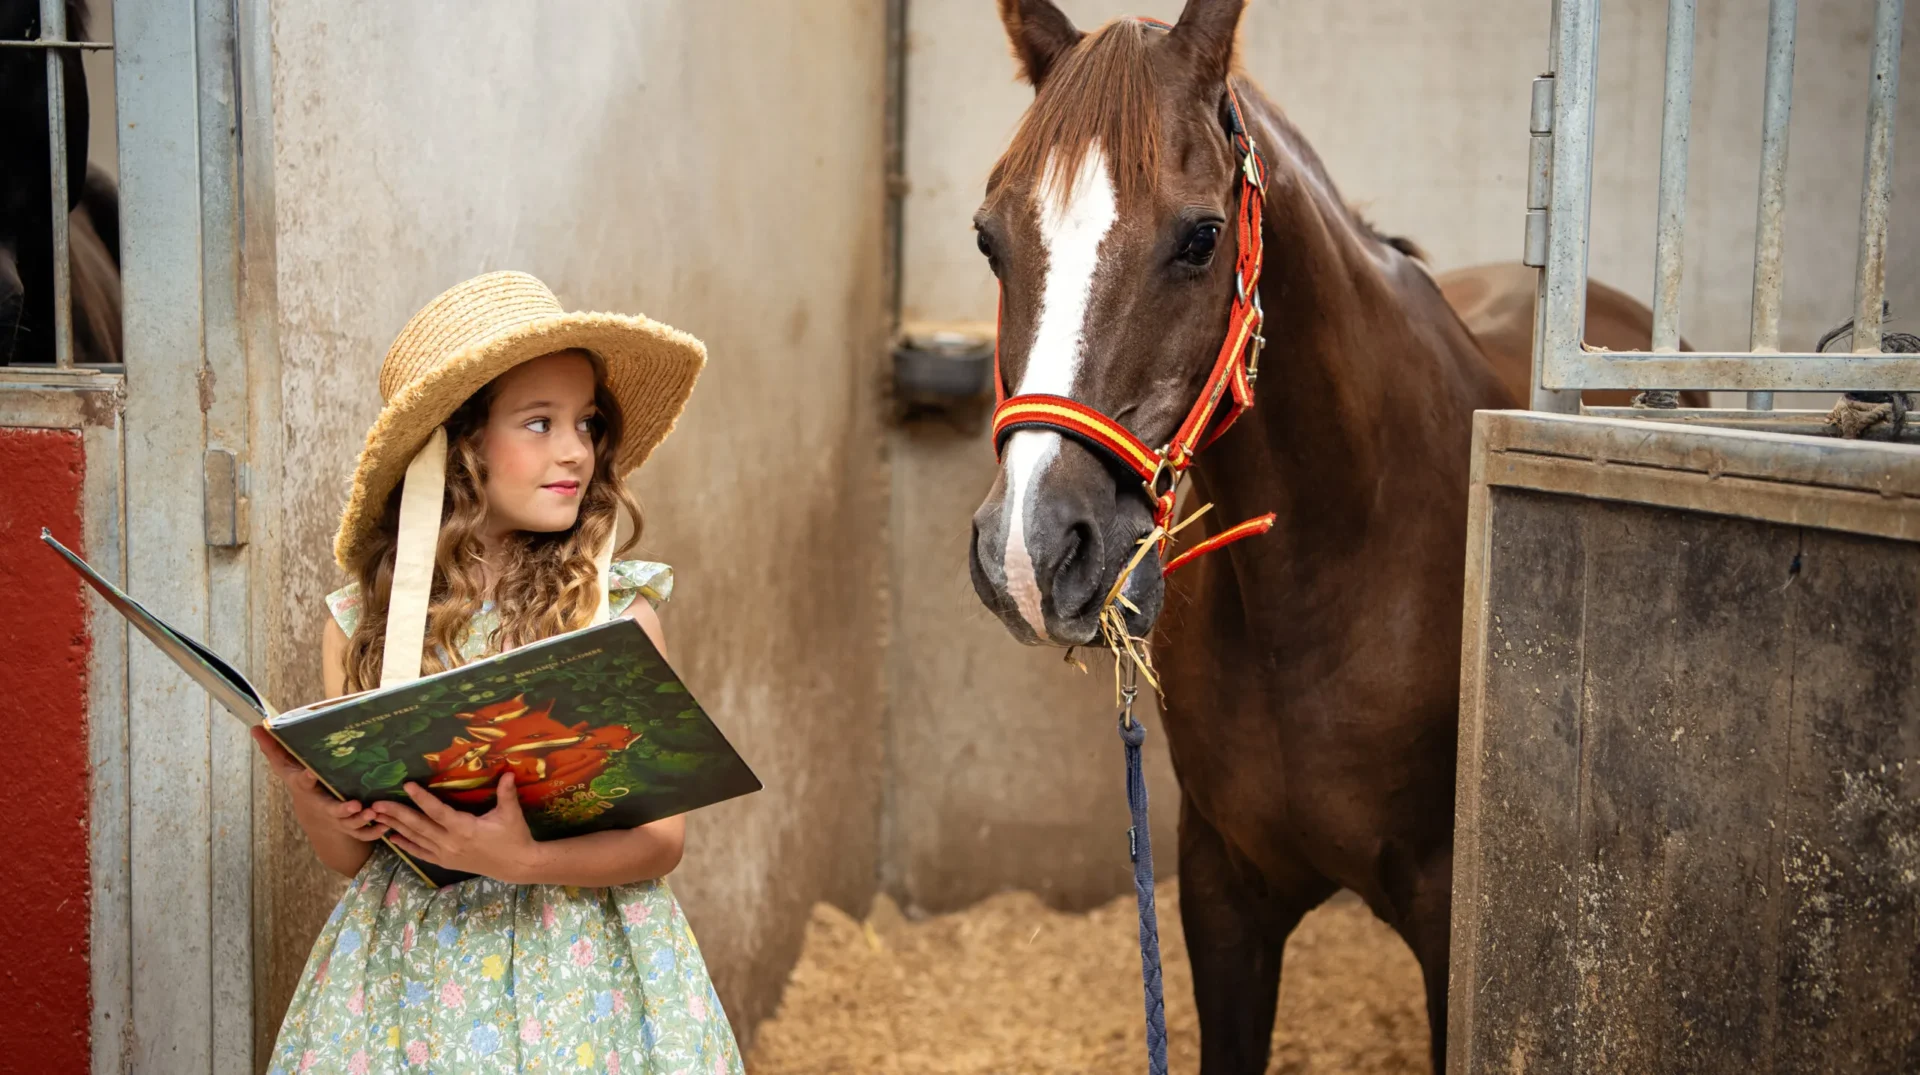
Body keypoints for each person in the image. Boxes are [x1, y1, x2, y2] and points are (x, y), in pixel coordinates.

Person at [255, 271, 743, 1074]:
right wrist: (314, 801)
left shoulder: (610, 613)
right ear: (459, 448)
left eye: (586, 422)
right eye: (539, 422)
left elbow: (662, 840)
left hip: (581, 975)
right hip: (413, 977)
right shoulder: (362, 625)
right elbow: (349, 859)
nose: (575, 450)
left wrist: (524, 862)